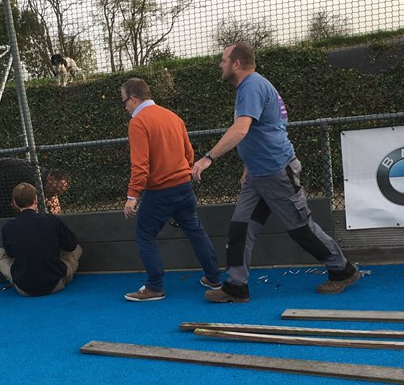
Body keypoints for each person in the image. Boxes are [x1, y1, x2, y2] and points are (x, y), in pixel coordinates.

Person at [191, 42, 360, 302]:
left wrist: (208, 158)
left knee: (301, 228)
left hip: (277, 173)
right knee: (241, 227)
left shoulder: (252, 87)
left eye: (223, 60)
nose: (220, 64)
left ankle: (342, 270)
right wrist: (249, 165)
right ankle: (236, 286)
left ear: (236, 64)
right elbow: (268, 126)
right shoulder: (252, 87)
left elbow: (241, 130)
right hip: (259, 175)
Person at [121, 78, 223, 302]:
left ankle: (154, 287)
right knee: (195, 230)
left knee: (144, 234)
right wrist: (183, 173)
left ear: (134, 99)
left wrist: (132, 196)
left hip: (159, 191)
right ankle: (214, 278)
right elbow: (188, 152)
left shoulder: (138, 122)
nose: (125, 107)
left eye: (125, 102)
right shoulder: (173, 117)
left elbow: (140, 164)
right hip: (183, 187)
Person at [0, 182, 82, 296]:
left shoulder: (8, 227)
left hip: (24, 287)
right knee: (77, 249)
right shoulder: (52, 220)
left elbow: (10, 254)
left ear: (15, 202)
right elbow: (71, 244)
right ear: (36, 199)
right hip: (56, 283)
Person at [0, 158, 68, 217]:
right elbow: (17, 200)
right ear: (51, 179)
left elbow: (52, 203)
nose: (55, 195)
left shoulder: (43, 179)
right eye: (55, 191)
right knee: (9, 210)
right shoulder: (32, 177)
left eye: (58, 193)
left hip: (4, 177)